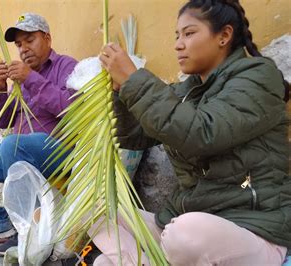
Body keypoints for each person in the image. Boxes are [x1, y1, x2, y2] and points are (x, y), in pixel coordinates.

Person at [91, 0, 290, 265]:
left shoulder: (258, 79)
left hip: (250, 230)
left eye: (189, 33)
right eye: (177, 36)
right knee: (95, 212)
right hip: (191, 222)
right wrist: (121, 93)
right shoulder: (190, 90)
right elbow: (136, 136)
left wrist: (133, 80)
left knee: (183, 234)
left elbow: (200, 132)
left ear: (224, 35)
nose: (178, 44)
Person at [0, 13, 77, 255]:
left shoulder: (66, 66)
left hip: (57, 151)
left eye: (29, 40)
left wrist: (32, 79)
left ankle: (31, 228)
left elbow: (70, 108)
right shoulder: (20, 76)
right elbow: (5, 120)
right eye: (19, 44)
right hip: (16, 152)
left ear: (47, 38)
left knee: (12, 144)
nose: (23, 49)